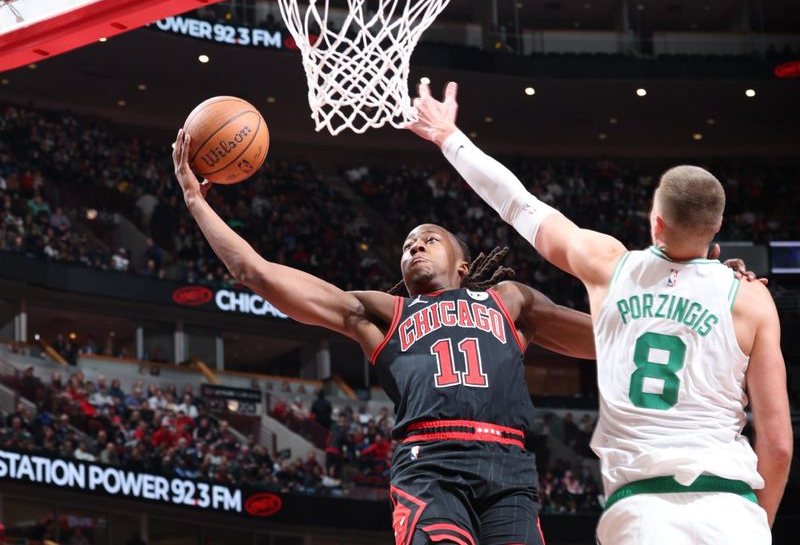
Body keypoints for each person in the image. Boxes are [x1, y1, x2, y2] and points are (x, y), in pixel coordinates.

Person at [408, 82, 792, 544]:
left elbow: (517, 204)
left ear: (656, 221)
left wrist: (448, 136)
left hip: (642, 510)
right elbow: (778, 444)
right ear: (717, 228)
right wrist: (758, 522)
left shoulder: (610, 266)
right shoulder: (750, 298)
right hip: (732, 507)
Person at [172, 129, 595, 545]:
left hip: (510, 467)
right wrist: (195, 202)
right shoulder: (383, 313)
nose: (416, 247)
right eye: (409, 245)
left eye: (430, 239)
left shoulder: (509, 302)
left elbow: (607, 338)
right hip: (431, 463)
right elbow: (255, 272)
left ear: (463, 266)